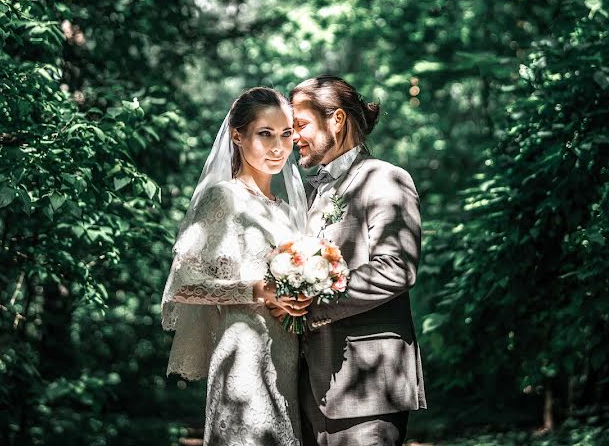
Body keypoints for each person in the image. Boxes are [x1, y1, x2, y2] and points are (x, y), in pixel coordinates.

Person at [272, 74, 427, 446]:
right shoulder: (305, 193)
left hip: (367, 384)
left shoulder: (385, 179)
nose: (294, 138)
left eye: (301, 125)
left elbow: (396, 269)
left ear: (336, 120)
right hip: (308, 384)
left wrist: (313, 301)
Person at [161, 87, 312, 446]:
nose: (278, 146)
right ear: (237, 135)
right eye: (265, 134)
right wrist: (257, 290)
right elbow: (183, 283)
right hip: (242, 354)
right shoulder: (223, 197)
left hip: (288, 357)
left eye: (286, 134)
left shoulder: (288, 211)